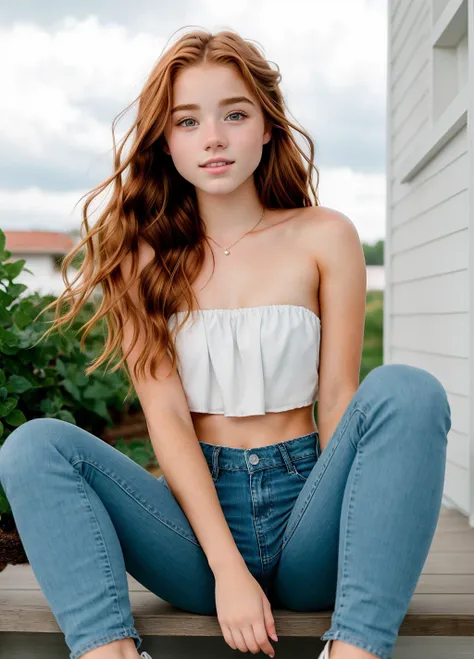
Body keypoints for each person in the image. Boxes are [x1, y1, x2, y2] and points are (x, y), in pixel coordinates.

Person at [0, 27, 451, 659]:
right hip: (194, 529)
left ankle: (354, 651)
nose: (213, 137)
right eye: (188, 121)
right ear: (167, 141)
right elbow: (167, 418)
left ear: (267, 127)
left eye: (234, 114)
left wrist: (346, 517)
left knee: (408, 390)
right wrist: (229, 571)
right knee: (33, 446)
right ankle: (109, 653)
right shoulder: (142, 257)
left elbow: (339, 393)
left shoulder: (325, 236)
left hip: (307, 511)